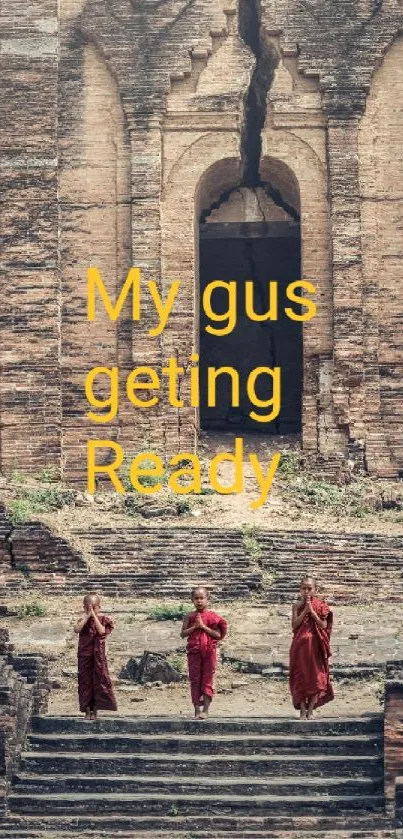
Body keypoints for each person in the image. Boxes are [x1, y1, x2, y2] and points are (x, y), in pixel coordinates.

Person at [289, 576, 334, 719]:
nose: (306, 591)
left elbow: (323, 625)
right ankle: (302, 709)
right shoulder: (296, 606)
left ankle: (311, 710)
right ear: (300, 590)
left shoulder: (321, 606)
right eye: (304, 588)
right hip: (299, 647)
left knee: (316, 677)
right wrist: (305, 611)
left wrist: (312, 612)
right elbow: (294, 626)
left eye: (309, 588)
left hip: (316, 646)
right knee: (300, 676)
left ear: (315, 590)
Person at [181, 586, 228, 719]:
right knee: (194, 680)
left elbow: (218, 634)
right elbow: (182, 634)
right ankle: (197, 709)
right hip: (194, 652)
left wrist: (203, 627)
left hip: (209, 652)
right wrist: (194, 627)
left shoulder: (213, 617)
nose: (199, 601)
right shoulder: (189, 616)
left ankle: (206, 710)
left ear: (207, 599)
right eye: (196, 598)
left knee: (207, 679)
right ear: (192, 600)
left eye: (202, 598)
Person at [74, 592, 117, 720]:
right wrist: (87, 617)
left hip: (98, 656)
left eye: (94, 607)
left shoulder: (104, 620)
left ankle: (95, 710)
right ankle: (87, 710)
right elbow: (76, 629)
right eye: (88, 607)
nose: (91, 610)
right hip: (84, 656)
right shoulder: (82, 621)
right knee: (85, 682)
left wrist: (94, 615)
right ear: (84, 608)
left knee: (99, 681)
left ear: (99, 607)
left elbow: (102, 631)